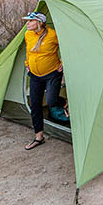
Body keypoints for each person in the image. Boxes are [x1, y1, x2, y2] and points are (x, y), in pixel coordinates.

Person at [22, 11, 63, 150]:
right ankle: (39, 137)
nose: (27, 23)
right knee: (35, 105)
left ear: (39, 22)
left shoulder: (53, 34)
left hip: (52, 74)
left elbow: (66, 47)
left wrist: (63, 62)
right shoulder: (28, 34)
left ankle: (64, 103)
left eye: (30, 21)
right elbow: (28, 51)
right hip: (34, 75)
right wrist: (27, 64)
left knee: (51, 102)